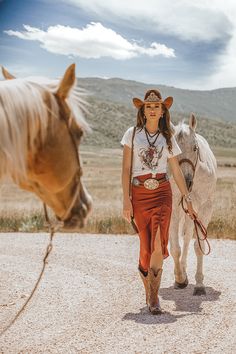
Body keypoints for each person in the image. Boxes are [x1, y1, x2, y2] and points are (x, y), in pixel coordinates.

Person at [120, 89, 198, 315]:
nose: (152, 110)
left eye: (156, 107)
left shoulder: (168, 138)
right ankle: (147, 279)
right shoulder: (132, 135)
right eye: (148, 107)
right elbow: (125, 169)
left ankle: (154, 298)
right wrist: (126, 199)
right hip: (140, 193)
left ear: (163, 111)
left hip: (163, 192)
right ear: (143, 111)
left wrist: (187, 196)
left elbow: (175, 169)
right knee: (146, 244)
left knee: (156, 242)